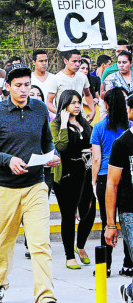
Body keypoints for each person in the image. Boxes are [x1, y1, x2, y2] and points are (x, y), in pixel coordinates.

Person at [0, 63, 60, 303]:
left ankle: (45, 295)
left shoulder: (40, 109)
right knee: (2, 242)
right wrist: (7, 160)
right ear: (7, 87)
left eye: (27, 85)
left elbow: (47, 143)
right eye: (18, 86)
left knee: (40, 244)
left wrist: (51, 157)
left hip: (36, 186)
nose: (24, 90)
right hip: (4, 188)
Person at [50, 90, 95, 269]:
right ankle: (70, 255)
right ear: (64, 104)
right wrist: (62, 123)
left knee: (88, 213)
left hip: (86, 172)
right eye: (73, 102)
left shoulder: (85, 123)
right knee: (68, 216)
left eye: (79, 102)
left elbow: (92, 144)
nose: (77, 106)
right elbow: (61, 146)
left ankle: (81, 245)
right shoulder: (56, 124)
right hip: (66, 174)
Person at [91, 88, 132, 276]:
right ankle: (128, 263)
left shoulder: (99, 127)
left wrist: (93, 179)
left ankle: (104, 266)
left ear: (106, 104)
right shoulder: (128, 126)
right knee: (126, 223)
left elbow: (97, 158)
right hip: (126, 176)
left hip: (106, 176)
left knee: (109, 222)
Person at [104, 93, 133, 302]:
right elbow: (112, 184)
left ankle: (130, 291)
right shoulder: (122, 143)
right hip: (130, 210)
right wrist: (111, 224)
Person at [46, 49, 95, 122]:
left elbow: (88, 95)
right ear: (66, 61)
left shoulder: (82, 77)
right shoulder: (56, 78)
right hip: (63, 120)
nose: (77, 64)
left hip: (81, 118)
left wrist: (93, 111)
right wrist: (60, 113)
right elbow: (49, 102)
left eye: (79, 61)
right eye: (74, 61)